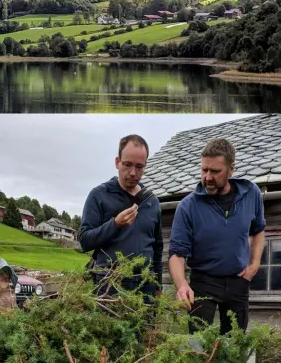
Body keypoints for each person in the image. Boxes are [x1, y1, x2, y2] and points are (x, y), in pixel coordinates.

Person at [168, 137, 266, 334]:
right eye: (204, 170)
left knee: (236, 342)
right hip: (203, 283)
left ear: (231, 170)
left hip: (239, 280)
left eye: (215, 171)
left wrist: (254, 265)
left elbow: (258, 230)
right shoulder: (188, 206)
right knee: (198, 343)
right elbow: (177, 253)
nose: (208, 177)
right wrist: (181, 284)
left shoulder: (251, 194)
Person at [78, 134, 163, 298]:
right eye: (127, 164)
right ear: (117, 162)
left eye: (139, 167)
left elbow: (157, 249)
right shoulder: (99, 195)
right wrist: (115, 224)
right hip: (109, 284)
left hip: (145, 286)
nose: (133, 172)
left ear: (145, 165)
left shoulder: (152, 202)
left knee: (146, 325)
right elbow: (85, 240)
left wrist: (158, 287)